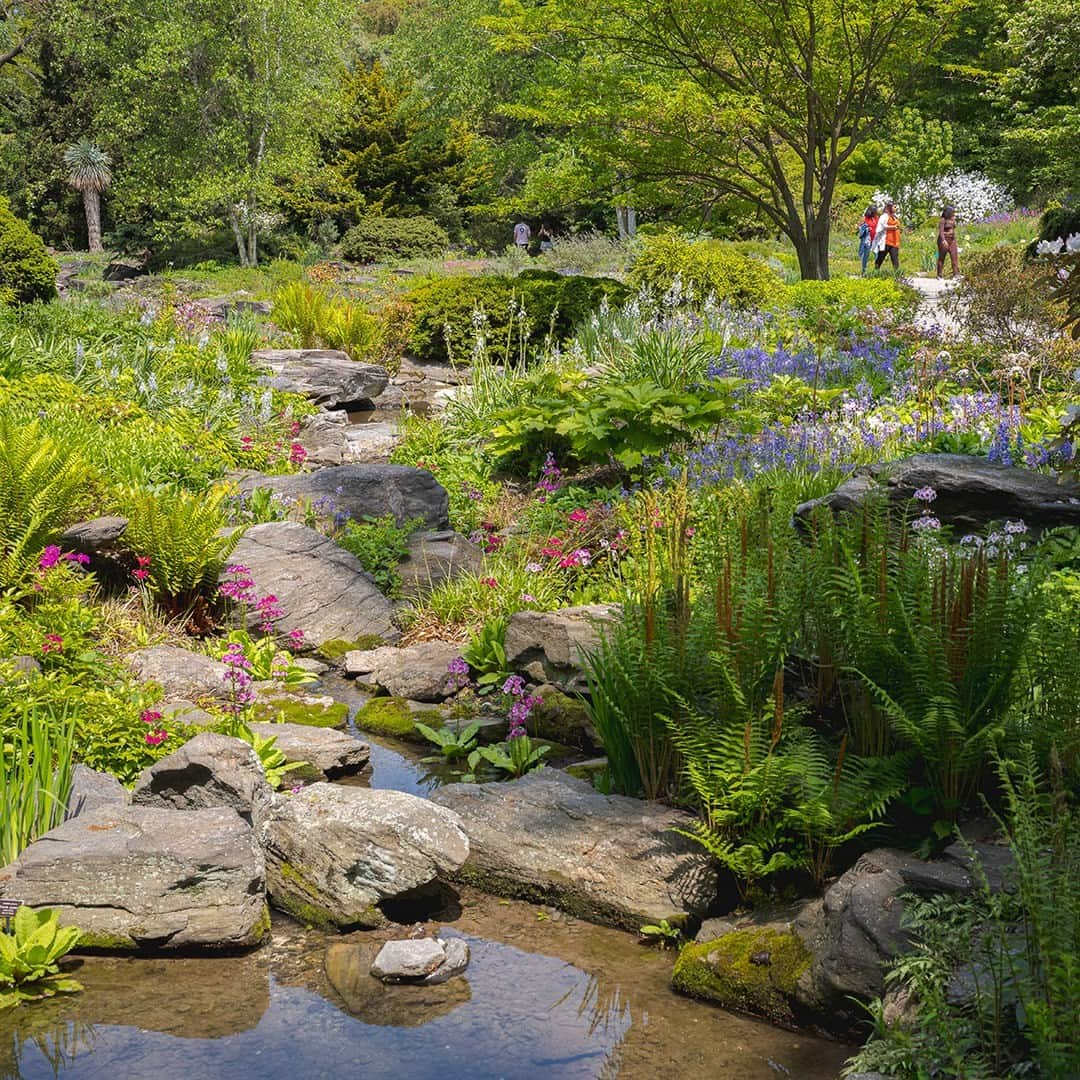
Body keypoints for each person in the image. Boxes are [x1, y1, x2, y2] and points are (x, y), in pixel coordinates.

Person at [873, 202, 902, 271]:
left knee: (895, 260)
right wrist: (892, 227)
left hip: (895, 242)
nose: (896, 208)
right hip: (886, 241)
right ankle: (875, 272)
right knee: (880, 258)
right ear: (890, 207)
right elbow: (881, 226)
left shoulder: (895, 217)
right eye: (894, 207)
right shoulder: (884, 216)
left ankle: (897, 276)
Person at [936, 205, 959, 279]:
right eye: (952, 212)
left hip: (952, 240)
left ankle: (956, 274)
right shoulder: (942, 220)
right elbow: (941, 232)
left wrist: (954, 221)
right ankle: (939, 275)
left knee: (954, 257)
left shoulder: (952, 219)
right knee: (942, 257)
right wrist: (943, 240)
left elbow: (954, 227)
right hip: (944, 240)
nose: (953, 213)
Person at [858, 205, 879, 276]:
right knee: (866, 256)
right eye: (875, 210)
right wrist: (866, 228)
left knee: (877, 255)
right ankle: (864, 270)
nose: (877, 212)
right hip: (867, 240)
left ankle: (876, 270)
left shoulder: (876, 218)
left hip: (875, 239)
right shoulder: (865, 218)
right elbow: (860, 227)